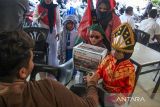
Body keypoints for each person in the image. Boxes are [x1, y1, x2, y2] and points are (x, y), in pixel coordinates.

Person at [0, 31, 99, 107]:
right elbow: (90, 105)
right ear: (22, 72)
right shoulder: (47, 89)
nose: (33, 64)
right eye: (31, 60)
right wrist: (92, 83)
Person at [95, 23, 136, 106]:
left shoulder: (130, 68)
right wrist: (95, 76)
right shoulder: (108, 58)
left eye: (118, 51)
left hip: (116, 95)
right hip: (103, 88)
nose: (113, 52)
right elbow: (100, 69)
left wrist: (123, 96)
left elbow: (129, 86)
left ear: (126, 54)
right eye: (113, 49)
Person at [33, 0, 61, 66]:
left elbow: (58, 21)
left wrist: (58, 32)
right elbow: (34, 20)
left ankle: (51, 67)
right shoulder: (38, 6)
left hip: (52, 31)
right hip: (41, 31)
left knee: (53, 50)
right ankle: (42, 66)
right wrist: (39, 17)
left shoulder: (55, 7)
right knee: (42, 50)